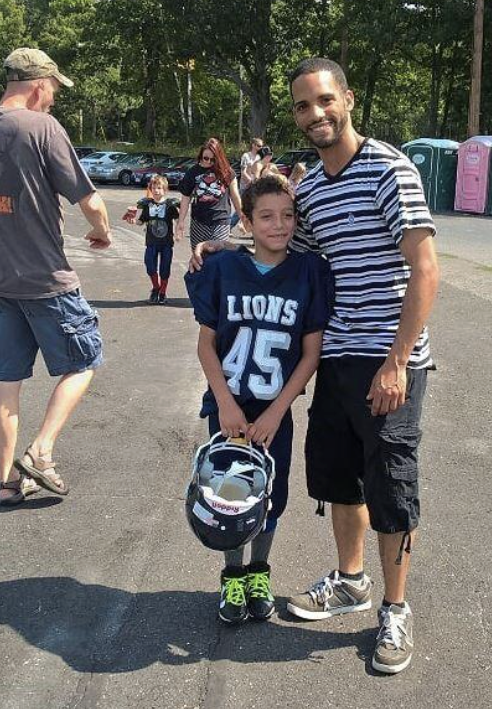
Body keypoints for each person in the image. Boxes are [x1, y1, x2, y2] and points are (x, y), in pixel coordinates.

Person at [190, 57, 439, 674]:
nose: (315, 113)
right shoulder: (313, 193)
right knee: (337, 479)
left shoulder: (389, 169)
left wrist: (397, 361)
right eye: (303, 106)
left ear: (347, 99)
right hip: (336, 358)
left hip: (388, 361)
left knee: (391, 487)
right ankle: (352, 581)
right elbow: (281, 246)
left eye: (325, 100)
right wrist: (223, 245)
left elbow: (425, 268)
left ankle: (395, 609)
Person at [184, 174, 333, 625]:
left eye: (288, 216)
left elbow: (311, 354)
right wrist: (225, 403)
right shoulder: (224, 268)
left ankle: (258, 572)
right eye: (266, 216)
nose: (279, 225)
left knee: (269, 495)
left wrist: (277, 411)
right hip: (230, 405)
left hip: (273, 410)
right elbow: (206, 345)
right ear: (246, 221)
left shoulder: (309, 272)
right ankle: (232, 575)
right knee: (227, 495)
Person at [0, 47, 111, 506]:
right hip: (46, 279)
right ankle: (41, 451)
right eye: (53, 91)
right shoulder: (42, 128)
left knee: (6, 384)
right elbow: (89, 199)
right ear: (39, 85)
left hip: (2, 284)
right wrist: (102, 231)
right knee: (84, 361)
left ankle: (6, 481)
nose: (53, 99)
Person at [175, 138, 241, 251]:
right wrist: (181, 222)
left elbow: (235, 197)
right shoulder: (193, 172)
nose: (209, 162)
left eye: (213, 159)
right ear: (201, 156)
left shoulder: (227, 172)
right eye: (206, 158)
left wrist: (243, 217)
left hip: (221, 221)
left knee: (218, 255)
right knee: (199, 256)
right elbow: (186, 197)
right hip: (199, 221)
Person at [125, 175, 180, 304]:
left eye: (159, 188)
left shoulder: (170, 205)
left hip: (166, 242)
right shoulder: (147, 205)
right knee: (150, 265)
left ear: (165, 190)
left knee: (165, 268)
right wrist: (132, 221)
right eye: (154, 188)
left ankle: (163, 292)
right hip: (151, 242)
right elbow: (141, 221)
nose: (156, 191)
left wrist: (179, 231)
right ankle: (156, 288)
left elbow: (178, 220)